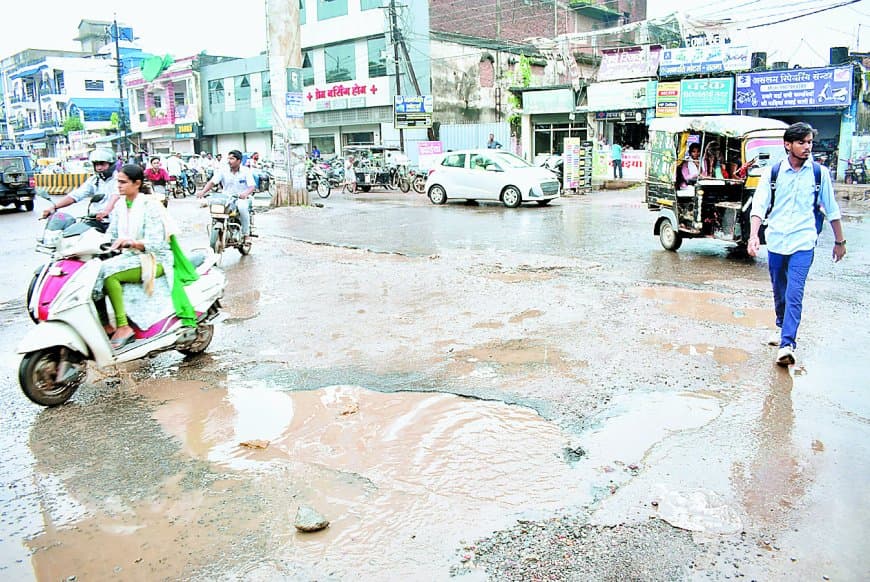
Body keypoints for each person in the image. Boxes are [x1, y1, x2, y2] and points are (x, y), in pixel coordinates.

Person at [747, 122, 847, 367]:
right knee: (779, 291)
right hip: (777, 240)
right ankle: (782, 327)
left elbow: (831, 209)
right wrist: (753, 235)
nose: (807, 147)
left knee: (794, 292)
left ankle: (787, 344)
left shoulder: (818, 173)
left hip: (804, 241)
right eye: (801, 142)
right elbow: (759, 206)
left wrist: (839, 241)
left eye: (809, 142)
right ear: (787, 145)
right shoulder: (772, 173)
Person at [100, 164, 174, 349]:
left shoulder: (150, 205)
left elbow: (156, 242)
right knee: (94, 272)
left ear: (137, 183)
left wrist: (132, 243)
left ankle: (123, 327)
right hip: (130, 256)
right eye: (118, 182)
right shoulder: (119, 205)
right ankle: (106, 325)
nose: (119, 186)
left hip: (153, 258)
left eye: (123, 182)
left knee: (109, 274)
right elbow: (111, 233)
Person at [41, 148, 120, 232]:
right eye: (96, 165)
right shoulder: (94, 180)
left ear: (111, 164)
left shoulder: (119, 179)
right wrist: (53, 207)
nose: (99, 168)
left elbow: (115, 196)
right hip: (96, 220)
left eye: (102, 164)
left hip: (115, 221)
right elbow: (76, 195)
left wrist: (106, 211)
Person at [197, 149, 255, 242]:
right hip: (227, 197)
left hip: (242, 198)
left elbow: (252, 186)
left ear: (239, 161)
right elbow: (212, 182)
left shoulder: (246, 171)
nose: (229, 161)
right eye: (228, 158)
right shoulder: (223, 170)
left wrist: (245, 194)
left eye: (232, 159)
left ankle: (246, 234)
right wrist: (203, 191)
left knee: (242, 207)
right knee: (216, 207)